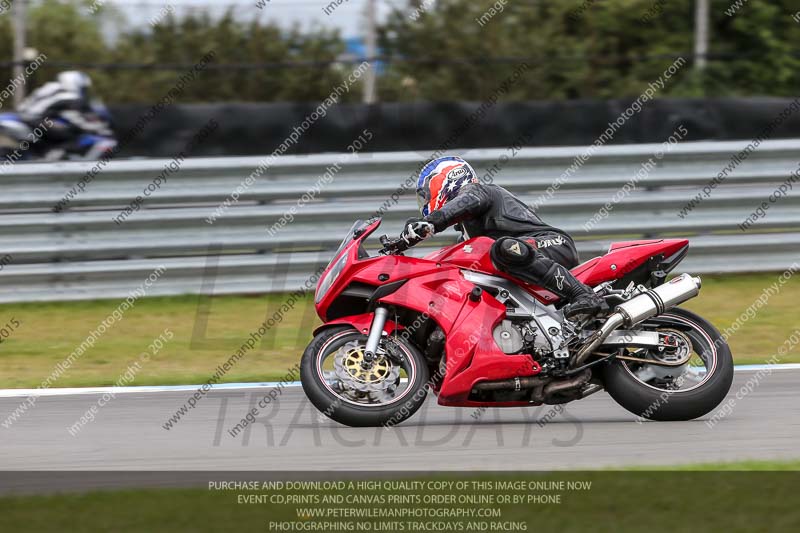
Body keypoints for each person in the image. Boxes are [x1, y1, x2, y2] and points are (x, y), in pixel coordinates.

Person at [402, 155, 605, 320]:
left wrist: (432, 221)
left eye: (426, 193)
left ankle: (583, 295)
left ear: (445, 179)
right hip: (524, 261)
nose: (426, 200)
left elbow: (468, 201)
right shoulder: (466, 232)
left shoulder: (479, 192)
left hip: (552, 243)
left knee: (504, 248)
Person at [17, 71, 112, 144]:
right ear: (75, 83)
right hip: (36, 120)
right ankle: (54, 159)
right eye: (83, 88)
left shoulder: (50, 86)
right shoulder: (70, 96)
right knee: (71, 133)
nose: (84, 91)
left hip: (24, 116)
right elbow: (74, 118)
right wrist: (95, 128)